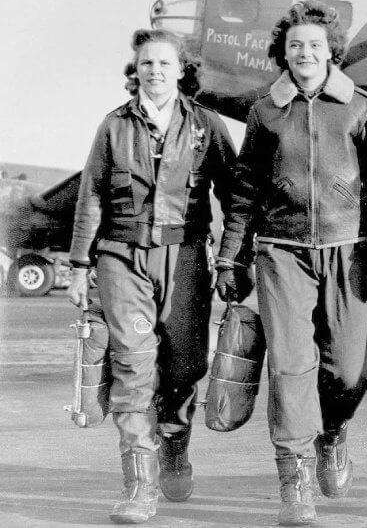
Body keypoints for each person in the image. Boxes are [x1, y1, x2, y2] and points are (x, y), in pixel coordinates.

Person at [214, 0, 367, 526]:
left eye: (315, 44)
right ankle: (294, 480)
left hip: (351, 251)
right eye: (295, 45)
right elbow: (245, 190)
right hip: (282, 252)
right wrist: (231, 256)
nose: (305, 53)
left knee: (349, 369)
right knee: (292, 366)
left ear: (331, 51)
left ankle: (334, 430)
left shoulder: (360, 108)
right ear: (284, 53)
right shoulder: (264, 112)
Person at [67, 28, 239, 524]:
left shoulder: (207, 126)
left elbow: (234, 199)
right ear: (135, 70)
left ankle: (176, 442)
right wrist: (79, 265)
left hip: (185, 257)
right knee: (134, 367)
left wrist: (231, 260)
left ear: (182, 69)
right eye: (147, 64)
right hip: (121, 258)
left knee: (185, 367)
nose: (156, 71)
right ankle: (140, 486)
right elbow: (91, 197)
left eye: (165, 63)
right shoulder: (113, 126)